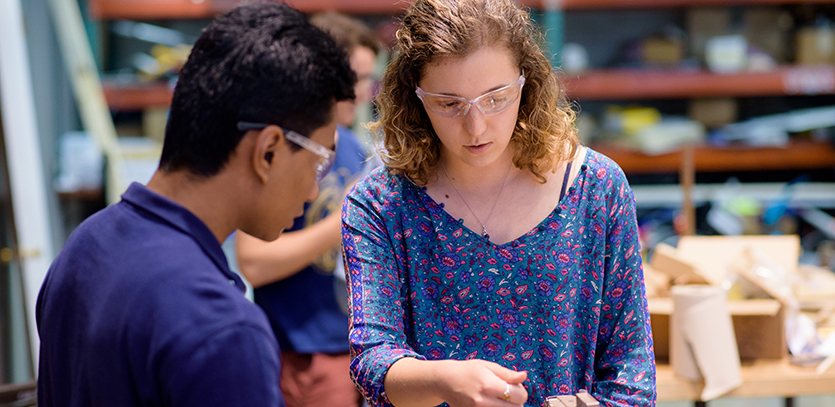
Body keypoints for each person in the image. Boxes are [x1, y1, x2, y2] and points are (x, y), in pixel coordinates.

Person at [35, 3, 356, 406]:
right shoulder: (222, 330)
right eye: (319, 162)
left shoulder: (85, 246)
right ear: (269, 151)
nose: (314, 190)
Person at [341, 0, 656, 406]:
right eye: (449, 103)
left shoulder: (596, 188)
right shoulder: (379, 206)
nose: (476, 126)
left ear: (527, 83)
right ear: (415, 97)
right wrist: (442, 379)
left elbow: (632, 372)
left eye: (495, 98)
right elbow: (372, 361)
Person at [234, 11, 381, 407]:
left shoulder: (357, 152)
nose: (363, 91)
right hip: (285, 352)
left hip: (343, 354)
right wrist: (345, 221)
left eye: (369, 79)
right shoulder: (283, 149)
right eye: (356, 78)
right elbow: (254, 262)